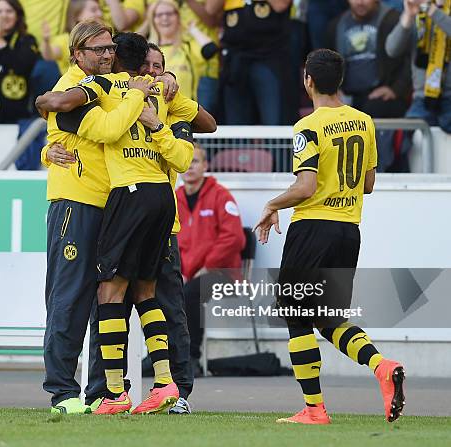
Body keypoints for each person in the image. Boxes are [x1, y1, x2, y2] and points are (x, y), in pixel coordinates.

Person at [38, 30, 201, 415]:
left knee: (111, 299)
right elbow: (79, 116)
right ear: (78, 53)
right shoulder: (78, 87)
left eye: (111, 47)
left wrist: (165, 83)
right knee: (71, 298)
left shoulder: (117, 85)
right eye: (100, 49)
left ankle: (104, 390)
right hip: (78, 202)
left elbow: (203, 120)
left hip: (116, 202)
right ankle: (62, 392)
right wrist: (138, 92)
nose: (108, 54)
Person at [254, 49, 405, 425]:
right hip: (348, 230)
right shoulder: (364, 121)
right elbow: (368, 184)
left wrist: (272, 204)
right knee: (326, 317)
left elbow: (305, 187)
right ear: (340, 80)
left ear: (308, 80)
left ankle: (314, 409)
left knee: (295, 315)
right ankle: (382, 366)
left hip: (312, 230)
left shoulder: (308, 126)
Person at [176, 144, 245, 374]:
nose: (189, 167)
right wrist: (181, 272)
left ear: (205, 166)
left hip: (223, 275)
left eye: (195, 161)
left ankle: (191, 358)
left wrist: (206, 267)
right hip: (186, 274)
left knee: (190, 293)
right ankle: (166, 356)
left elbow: (234, 238)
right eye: (185, 161)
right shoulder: (174, 198)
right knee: (158, 290)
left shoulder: (220, 195)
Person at [206, 0, 293, 125]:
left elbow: (281, 5)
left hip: (268, 57)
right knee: (236, 123)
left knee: (273, 119)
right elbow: (210, 9)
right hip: (235, 60)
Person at [327, 0, 411, 118]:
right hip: (347, 97)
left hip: (383, 97)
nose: (360, 2)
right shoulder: (336, 25)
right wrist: (333, 90)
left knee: (376, 108)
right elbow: (327, 64)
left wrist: (396, 89)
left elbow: (410, 59)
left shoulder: (393, 19)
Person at [386, 0, 451, 133]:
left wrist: (431, 10)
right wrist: (408, 16)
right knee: (405, 139)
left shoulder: (428, 7)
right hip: (422, 98)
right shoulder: (418, 12)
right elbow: (392, 49)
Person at [146, 0, 217, 101]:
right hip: (154, 112)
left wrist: (193, 30)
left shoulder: (188, 46)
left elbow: (211, 49)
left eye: (169, 14)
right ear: (152, 20)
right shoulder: (146, 51)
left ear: (178, 17)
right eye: (159, 15)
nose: (165, 18)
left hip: (184, 113)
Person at [40, 0, 104, 75]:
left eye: (100, 9)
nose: (100, 14)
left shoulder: (106, 35)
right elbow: (49, 55)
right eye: (93, 10)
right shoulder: (65, 39)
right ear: (77, 15)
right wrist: (46, 41)